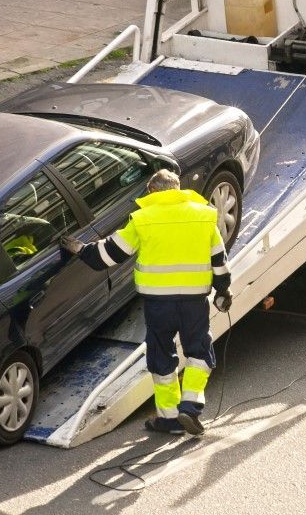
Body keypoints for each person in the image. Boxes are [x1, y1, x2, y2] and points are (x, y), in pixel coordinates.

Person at [60, 169, 232, 437]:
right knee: (199, 352)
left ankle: (170, 419)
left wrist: (81, 250)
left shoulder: (142, 219)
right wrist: (223, 291)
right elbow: (219, 261)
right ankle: (191, 405)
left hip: (158, 304)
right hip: (194, 302)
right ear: (177, 188)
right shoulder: (204, 215)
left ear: (152, 192)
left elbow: (108, 255)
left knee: (161, 356)